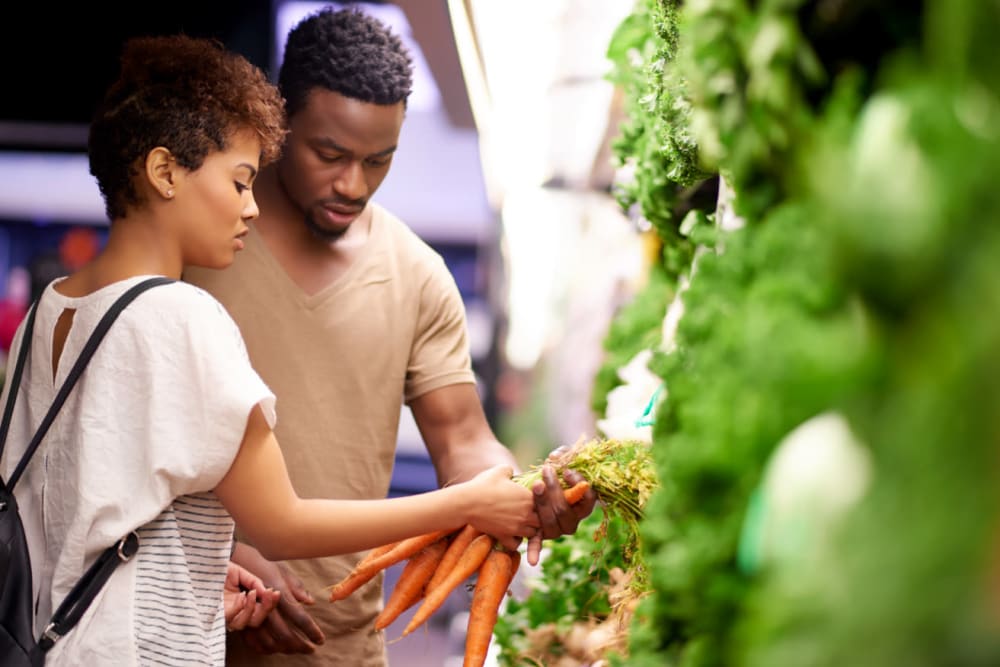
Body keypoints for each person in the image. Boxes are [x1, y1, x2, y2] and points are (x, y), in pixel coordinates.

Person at [0, 34, 540, 667]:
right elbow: (284, 524)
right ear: (165, 171)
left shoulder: (50, 308)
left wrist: (211, 562)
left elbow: (86, 503)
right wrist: (467, 503)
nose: (250, 208)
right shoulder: (183, 313)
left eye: (379, 161)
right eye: (240, 182)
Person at [183, 7, 598, 666]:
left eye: (380, 160)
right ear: (279, 122)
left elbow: (463, 438)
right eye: (330, 154)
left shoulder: (419, 274)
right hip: (191, 638)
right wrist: (219, 549)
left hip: (345, 648)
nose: (354, 185)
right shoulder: (195, 243)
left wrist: (520, 491)